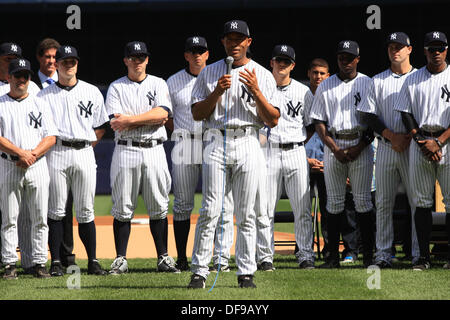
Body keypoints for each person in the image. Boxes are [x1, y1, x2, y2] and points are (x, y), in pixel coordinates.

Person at [188, 19, 280, 289]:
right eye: (230, 38)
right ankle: (199, 271)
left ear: (249, 42)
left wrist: (257, 92)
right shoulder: (210, 72)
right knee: (210, 209)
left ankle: (246, 272)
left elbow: (272, 120)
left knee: (246, 211)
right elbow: (196, 113)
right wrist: (217, 91)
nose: (234, 43)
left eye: (239, 39)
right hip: (217, 139)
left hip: (248, 140)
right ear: (223, 42)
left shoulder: (261, 73)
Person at [106, 41, 179, 275]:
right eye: (133, 57)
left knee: (159, 205)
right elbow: (115, 121)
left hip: (155, 149)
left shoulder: (158, 83)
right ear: (126, 60)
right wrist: (140, 119)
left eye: (141, 57)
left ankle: (164, 258)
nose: (137, 61)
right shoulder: (116, 87)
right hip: (126, 150)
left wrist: (130, 120)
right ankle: (120, 259)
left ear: (147, 59)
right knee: (122, 207)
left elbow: (163, 114)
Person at [38, 45, 109, 276]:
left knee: (86, 210)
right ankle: (57, 262)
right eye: (65, 61)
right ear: (56, 64)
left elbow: (100, 127)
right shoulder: (43, 96)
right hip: (56, 152)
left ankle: (93, 261)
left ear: (77, 63)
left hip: (83, 151)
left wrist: (86, 146)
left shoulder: (91, 91)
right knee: (56, 210)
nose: (69, 64)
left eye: (73, 61)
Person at [166, 36, 234, 272]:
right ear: (186, 55)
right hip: (186, 143)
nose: (196, 54)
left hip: (212, 140)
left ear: (207, 54)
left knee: (219, 201)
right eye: (192, 50)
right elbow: (169, 118)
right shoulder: (173, 81)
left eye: (201, 50)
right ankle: (183, 258)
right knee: (183, 204)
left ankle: (220, 258)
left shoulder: (217, 75)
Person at [309, 40, 375, 268]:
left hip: (360, 143)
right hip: (334, 143)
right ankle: (332, 258)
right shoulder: (326, 85)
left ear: (357, 58)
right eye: (341, 57)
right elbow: (318, 120)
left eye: (349, 57)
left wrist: (358, 148)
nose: (344, 61)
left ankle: (368, 256)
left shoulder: (367, 82)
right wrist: (334, 148)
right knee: (334, 203)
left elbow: (372, 122)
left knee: (363, 202)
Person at [357, 31, 420, 268]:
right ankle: (383, 253)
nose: (395, 50)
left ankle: (416, 252)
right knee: (383, 202)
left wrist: (408, 137)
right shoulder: (378, 80)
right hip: (385, 146)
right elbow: (368, 115)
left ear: (409, 49)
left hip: (414, 146)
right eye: (391, 46)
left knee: (417, 201)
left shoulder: (419, 78)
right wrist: (391, 136)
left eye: (400, 46)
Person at [395, 31, 450, 270]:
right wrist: (421, 141)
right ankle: (422, 257)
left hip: (447, 142)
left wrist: (438, 142)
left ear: (446, 50)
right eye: (431, 48)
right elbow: (405, 113)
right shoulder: (413, 79)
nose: (436, 52)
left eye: (440, 48)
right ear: (424, 50)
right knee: (421, 202)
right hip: (421, 144)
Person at [0, 58, 58, 279]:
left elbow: (51, 136)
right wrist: (20, 153)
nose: (21, 79)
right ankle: (9, 264)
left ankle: (39, 262)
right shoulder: (0, 102)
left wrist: (32, 154)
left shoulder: (40, 103)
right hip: (8, 163)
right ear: (9, 78)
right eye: (17, 75)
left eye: (25, 75)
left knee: (40, 217)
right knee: (9, 218)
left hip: (37, 164)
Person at [264, 44, 315, 269]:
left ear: (293, 65)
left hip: (295, 150)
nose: (282, 64)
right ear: (271, 63)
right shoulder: (262, 88)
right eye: (278, 60)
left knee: (302, 208)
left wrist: (299, 142)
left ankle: (305, 255)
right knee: (265, 209)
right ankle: (265, 257)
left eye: (286, 61)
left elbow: (311, 125)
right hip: (269, 152)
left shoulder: (303, 92)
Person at [305, 58, 330, 259]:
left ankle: (330, 248)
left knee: (329, 206)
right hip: (302, 161)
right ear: (309, 74)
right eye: (315, 72)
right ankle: (302, 249)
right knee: (302, 207)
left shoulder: (331, 94)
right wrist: (305, 159)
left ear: (327, 75)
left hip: (326, 160)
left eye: (322, 73)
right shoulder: (302, 94)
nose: (318, 76)